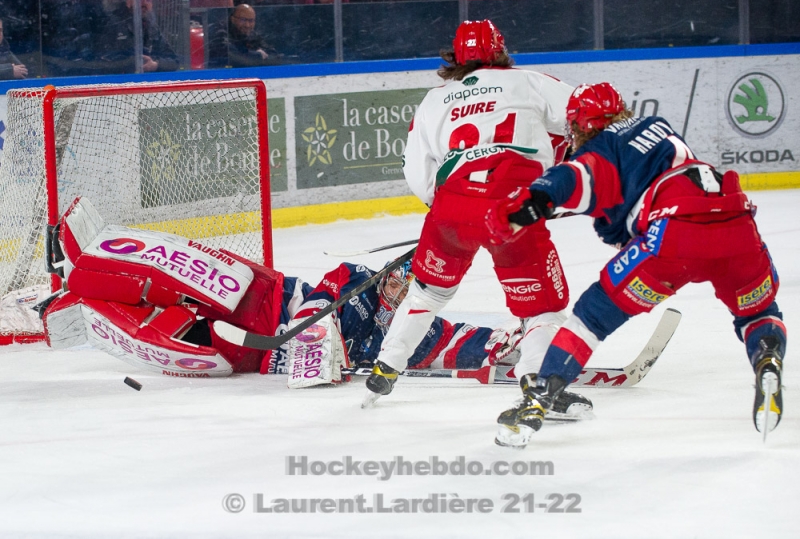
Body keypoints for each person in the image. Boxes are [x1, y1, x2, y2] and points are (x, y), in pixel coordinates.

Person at [39, 198, 597, 418]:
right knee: (185, 270)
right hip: (266, 297)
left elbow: (456, 342)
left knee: (168, 334)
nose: (405, 291)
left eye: (414, 284)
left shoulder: (418, 326)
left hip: (250, 354)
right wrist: (325, 313)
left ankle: (72, 307)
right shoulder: (361, 281)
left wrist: (507, 352)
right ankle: (85, 260)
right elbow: (330, 287)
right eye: (402, 279)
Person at [487, 82, 787, 447]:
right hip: (738, 226)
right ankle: (767, 359)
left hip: (673, 241)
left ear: (579, 125)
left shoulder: (601, 150)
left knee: (591, 316)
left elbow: (574, 179)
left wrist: (525, 209)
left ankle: (537, 401)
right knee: (758, 310)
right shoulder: (658, 126)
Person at [362, 19, 577, 408]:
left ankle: (386, 366)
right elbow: (582, 111)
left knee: (428, 293)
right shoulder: (528, 81)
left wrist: (446, 209)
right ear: (500, 49)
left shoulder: (434, 99)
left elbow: (417, 172)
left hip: (451, 208)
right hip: (513, 208)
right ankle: (536, 386)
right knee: (542, 308)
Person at [99, 0, 180, 73]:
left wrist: (155, 65)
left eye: (148, 0)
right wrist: (130, 63)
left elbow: (174, 61)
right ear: (128, 1)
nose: (144, 3)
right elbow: (101, 61)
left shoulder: (152, 27)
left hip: (147, 82)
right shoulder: (111, 23)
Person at [211, 3, 279, 67]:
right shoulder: (220, 31)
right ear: (232, 19)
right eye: (243, 20)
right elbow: (233, 57)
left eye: (251, 21)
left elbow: (273, 54)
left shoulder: (252, 34)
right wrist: (258, 55)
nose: (247, 25)